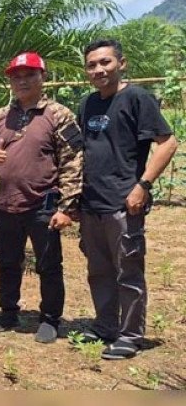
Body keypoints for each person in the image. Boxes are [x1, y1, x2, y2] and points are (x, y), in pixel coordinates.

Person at [78, 39, 177, 360]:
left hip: (124, 203)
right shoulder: (88, 103)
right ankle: (105, 325)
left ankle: (130, 335)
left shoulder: (137, 98)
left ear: (122, 63)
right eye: (92, 65)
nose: (98, 70)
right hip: (92, 203)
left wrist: (142, 186)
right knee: (99, 270)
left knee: (128, 271)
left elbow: (168, 143)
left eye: (105, 62)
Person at [0, 52, 82, 343]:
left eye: (29, 75)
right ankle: (8, 313)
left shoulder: (58, 115)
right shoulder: (0, 116)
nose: (22, 81)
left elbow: (74, 160)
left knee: (48, 265)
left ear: (42, 77)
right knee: (8, 262)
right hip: (7, 204)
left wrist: (66, 207)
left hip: (43, 205)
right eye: (16, 77)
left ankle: (49, 319)